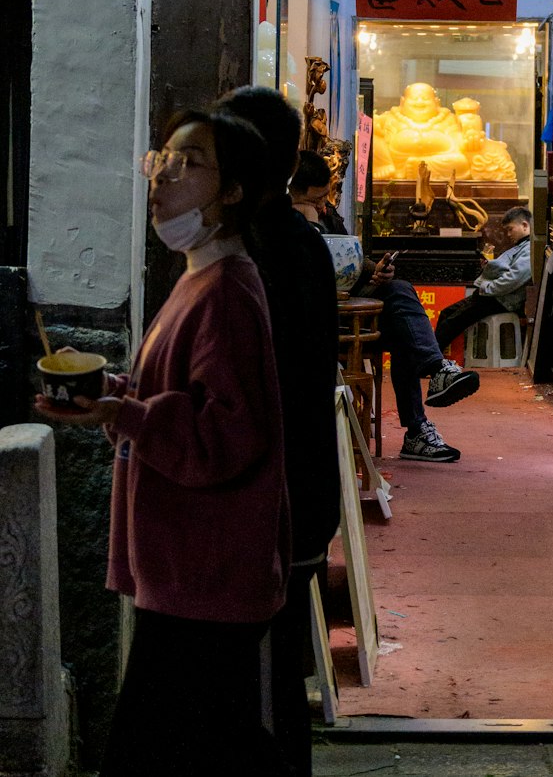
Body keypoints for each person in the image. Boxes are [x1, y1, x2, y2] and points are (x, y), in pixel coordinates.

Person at [36, 108, 291, 777]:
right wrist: (110, 390)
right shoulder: (199, 276)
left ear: (232, 191)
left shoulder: (226, 292)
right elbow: (178, 390)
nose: (164, 179)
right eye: (164, 160)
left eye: (190, 164)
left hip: (204, 574)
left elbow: (227, 436)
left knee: (155, 751)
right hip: (190, 573)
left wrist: (126, 412)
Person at [219, 87, 340, 777]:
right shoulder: (287, 245)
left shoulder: (266, 253)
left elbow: (262, 393)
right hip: (284, 494)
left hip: (272, 499)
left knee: (264, 686)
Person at [352, 250, 481, 462]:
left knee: (401, 301)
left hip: (357, 306)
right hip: (328, 312)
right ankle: (435, 375)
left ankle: (417, 430)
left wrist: (375, 270)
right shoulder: (302, 221)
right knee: (400, 303)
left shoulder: (330, 218)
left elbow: (350, 259)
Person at [434, 206, 533, 355]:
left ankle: (429, 362)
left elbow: (513, 279)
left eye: (510, 229)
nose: (508, 234)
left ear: (525, 225)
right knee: (446, 314)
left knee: (451, 322)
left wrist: (487, 287)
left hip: (501, 300)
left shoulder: (529, 249)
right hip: (490, 295)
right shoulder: (520, 246)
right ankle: (432, 358)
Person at [289, 146, 347, 234]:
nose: (321, 205)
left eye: (324, 196)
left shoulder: (330, 218)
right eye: (314, 201)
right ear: (291, 194)